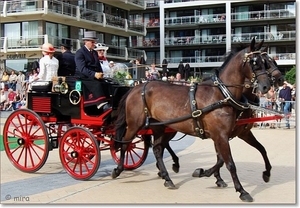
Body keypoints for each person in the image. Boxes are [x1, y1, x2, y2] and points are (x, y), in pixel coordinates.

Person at [75, 31, 111, 113]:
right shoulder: (80, 53)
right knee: (97, 84)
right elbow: (82, 69)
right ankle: (100, 103)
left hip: (94, 77)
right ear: (86, 41)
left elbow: (98, 66)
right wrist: (94, 74)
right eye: (92, 42)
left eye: (94, 42)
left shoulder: (94, 53)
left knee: (107, 83)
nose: (94, 44)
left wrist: (101, 74)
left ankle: (108, 101)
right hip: (84, 77)